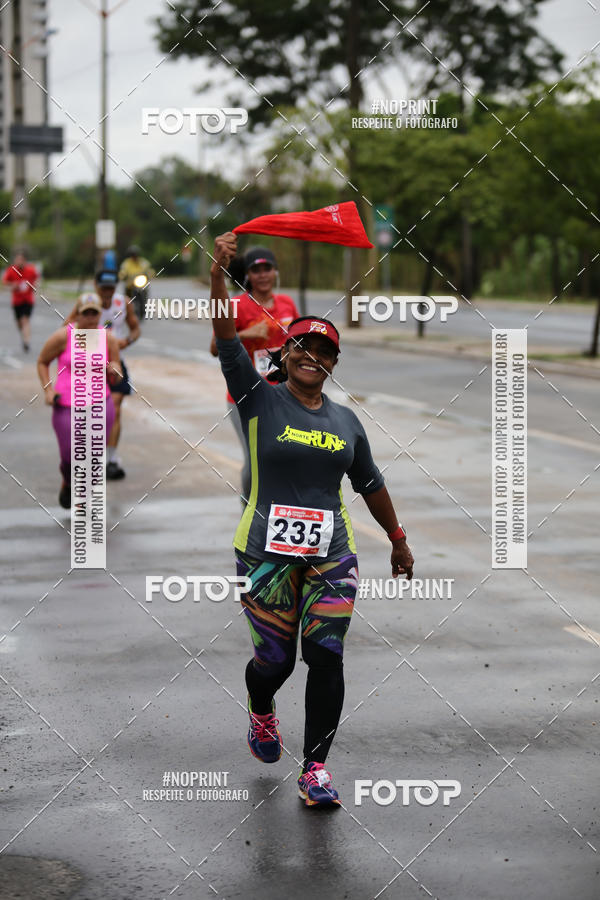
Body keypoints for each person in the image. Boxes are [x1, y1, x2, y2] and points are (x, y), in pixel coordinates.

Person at [210, 232, 415, 808]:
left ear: (332, 364)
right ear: (285, 352)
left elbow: (370, 482)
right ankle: (261, 709)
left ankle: (316, 770)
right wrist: (218, 276)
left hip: (331, 552)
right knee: (274, 662)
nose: (312, 355)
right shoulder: (257, 397)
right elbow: (226, 338)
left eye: (324, 351)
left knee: (325, 653)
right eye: (301, 345)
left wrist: (398, 540)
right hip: (264, 552)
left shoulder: (347, 421)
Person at [210, 246, 299, 502]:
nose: (262, 275)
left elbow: (302, 339)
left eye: (267, 268)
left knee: (287, 452)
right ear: (248, 274)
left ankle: (281, 507)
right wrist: (246, 334)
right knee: (256, 456)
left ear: (275, 271)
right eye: (256, 270)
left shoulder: (287, 304)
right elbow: (215, 347)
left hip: (284, 393)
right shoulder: (237, 305)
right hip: (245, 397)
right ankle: (250, 509)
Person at [37, 293, 122, 509]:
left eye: (95, 313)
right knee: (69, 457)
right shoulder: (63, 337)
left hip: (100, 402)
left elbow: (116, 366)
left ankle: (84, 502)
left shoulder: (108, 338)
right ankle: (68, 481)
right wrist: (48, 391)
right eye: (87, 313)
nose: (92, 318)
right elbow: (42, 362)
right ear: (78, 314)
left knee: (94, 455)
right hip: (67, 403)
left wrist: (114, 370)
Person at [66, 270, 140, 480]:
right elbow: (66, 328)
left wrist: (127, 341)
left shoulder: (123, 303)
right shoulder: (87, 303)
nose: (107, 291)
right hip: (88, 363)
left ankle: (111, 459)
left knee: (115, 408)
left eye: (111, 287)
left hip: (113, 362)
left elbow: (135, 329)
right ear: (95, 286)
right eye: (103, 287)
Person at [2, 250, 39, 352]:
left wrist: (34, 285)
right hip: (16, 301)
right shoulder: (11, 270)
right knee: (19, 322)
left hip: (28, 300)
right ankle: (23, 336)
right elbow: (5, 282)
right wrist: (12, 285)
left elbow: (37, 279)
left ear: (24, 260)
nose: (19, 262)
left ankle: (26, 342)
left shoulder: (30, 270)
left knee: (25, 320)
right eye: (17, 260)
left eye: (21, 260)